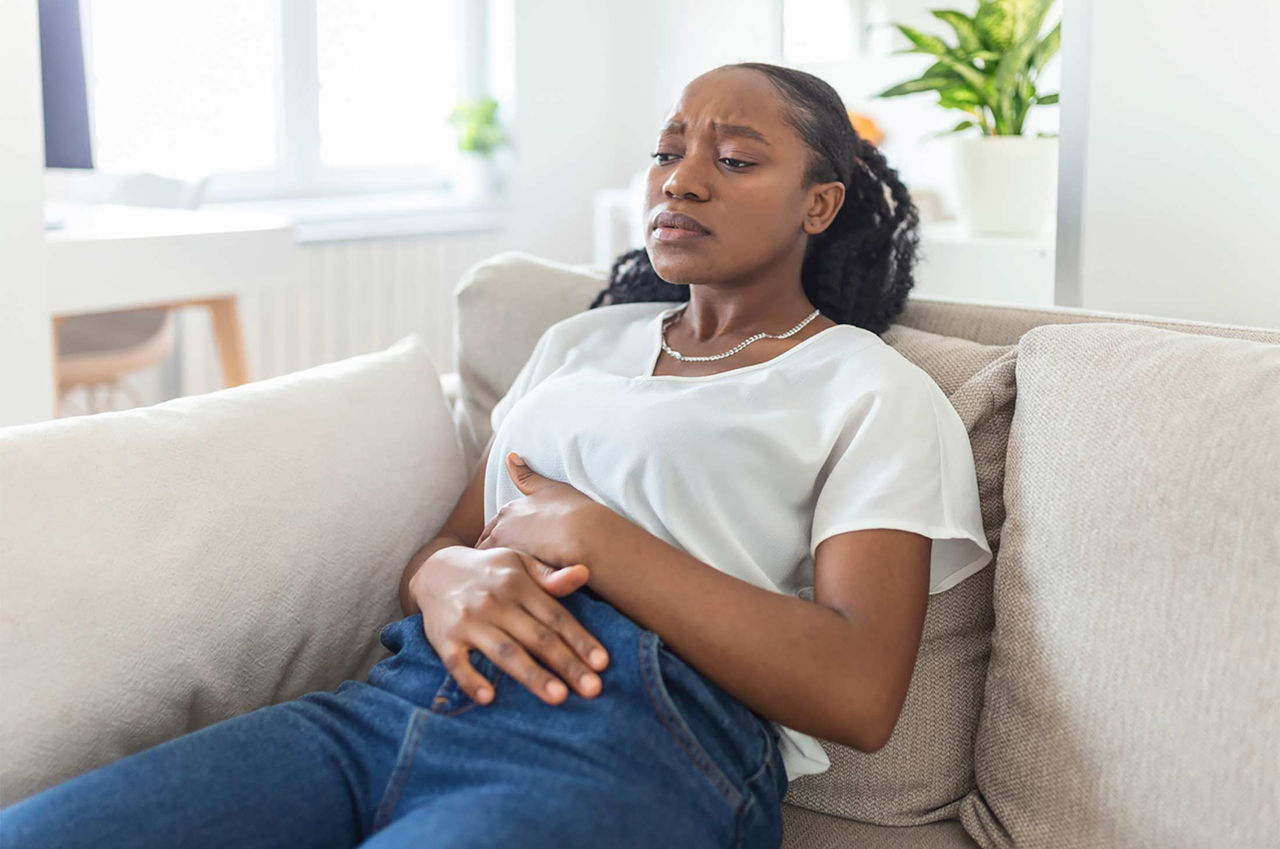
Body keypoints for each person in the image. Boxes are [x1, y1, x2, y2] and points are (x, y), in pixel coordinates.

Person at [0, 62, 991, 849]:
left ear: (817, 206)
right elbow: (446, 545)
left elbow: (858, 694)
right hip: (389, 702)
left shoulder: (867, 389)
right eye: (665, 152)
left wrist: (593, 535)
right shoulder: (579, 343)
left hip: (627, 744)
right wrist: (446, 580)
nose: (679, 179)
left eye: (733, 160)